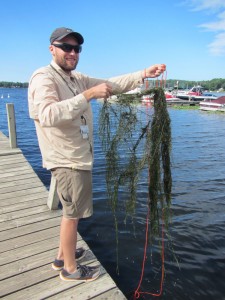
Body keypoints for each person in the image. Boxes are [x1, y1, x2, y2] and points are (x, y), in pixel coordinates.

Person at [28, 26, 166, 282]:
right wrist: (88, 95)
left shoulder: (75, 78)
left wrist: (143, 74)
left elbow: (110, 85)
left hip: (77, 156)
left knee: (73, 210)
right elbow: (46, 115)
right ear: (52, 49)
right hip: (67, 159)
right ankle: (69, 269)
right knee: (72, 215)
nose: (72, 52)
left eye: (76, 48)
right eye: (66, 47)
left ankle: (63, 255)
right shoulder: (44, 77)